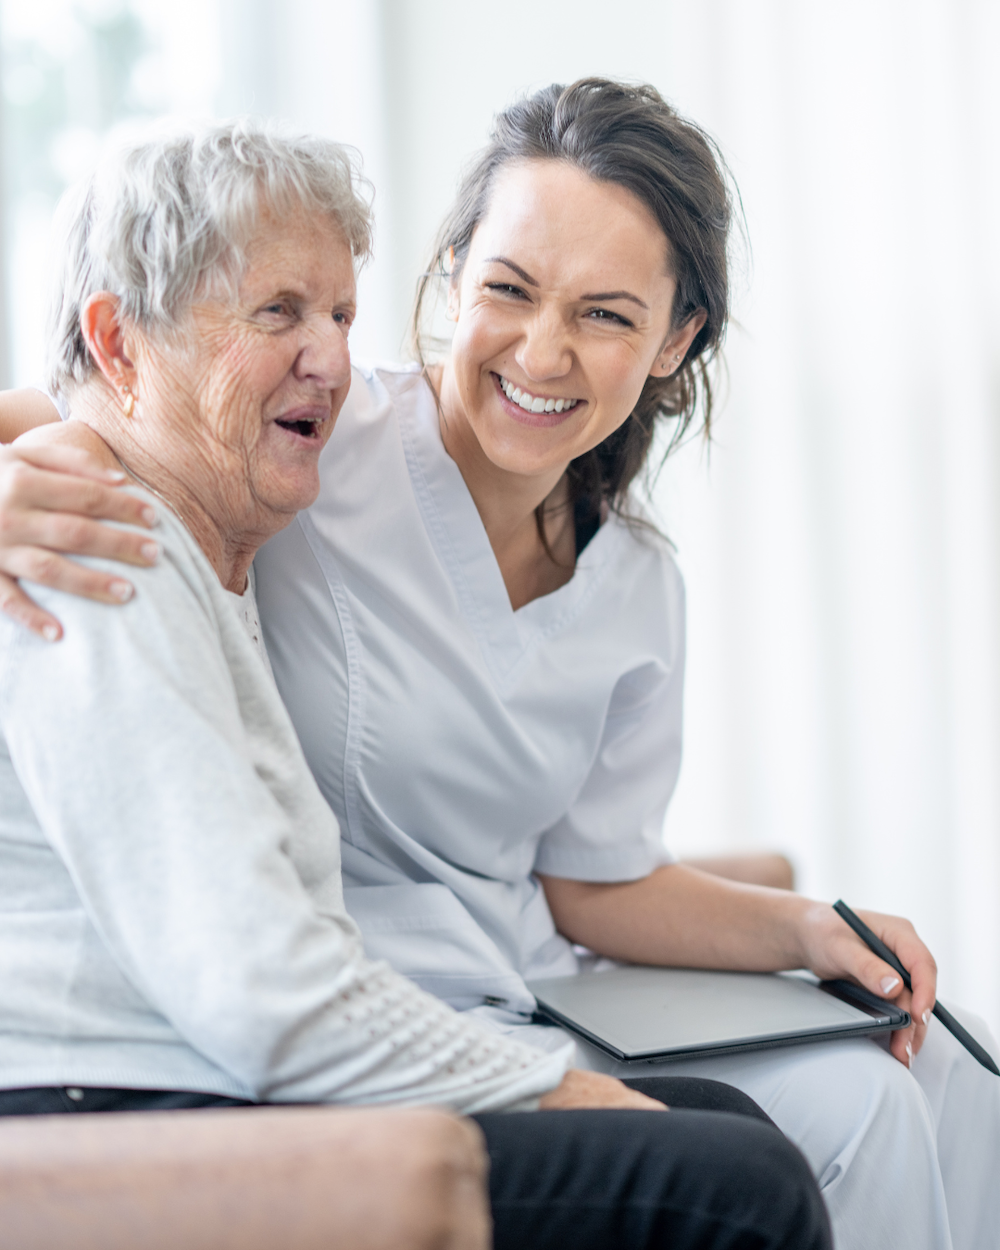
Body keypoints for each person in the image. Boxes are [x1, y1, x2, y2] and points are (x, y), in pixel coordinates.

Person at [0, 120, 834, 1250]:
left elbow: (597, 875)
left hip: (253, 1058)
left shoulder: (220, 533)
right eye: (278, 312)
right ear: (122, 344)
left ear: (671, 342)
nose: (331, 359)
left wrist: (803, 928)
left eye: (340, 314)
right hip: (133, 1101)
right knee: (735, 1181)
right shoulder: (97, 539)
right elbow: (266, 994)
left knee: (728, 1128)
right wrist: (560, 1087)